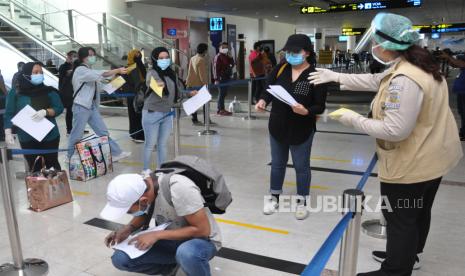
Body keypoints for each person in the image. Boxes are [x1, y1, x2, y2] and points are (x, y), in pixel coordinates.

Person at [309, 12, 463, 276]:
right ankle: (407, 255)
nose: (373, 46)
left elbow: (394, 130)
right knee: (418, 212)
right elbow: (376, 81)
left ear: (389, 44)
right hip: (433, 158)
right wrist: (335, 76)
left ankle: (395, 269)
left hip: (411, 165)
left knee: (400, 219)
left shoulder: (405, 79)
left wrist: (352, 118)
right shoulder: (417, 66)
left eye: (376, 40)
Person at [256, 34, 328, 220]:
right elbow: (268, 88)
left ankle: (302, 201)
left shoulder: (316, 75)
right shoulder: (281, 68)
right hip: (278, 125)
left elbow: (319, 105)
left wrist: (307, 111)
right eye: (288, 51)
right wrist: (263, 100)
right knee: (277, 164)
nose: (290, 55)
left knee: (301, 166)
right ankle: (274, 197)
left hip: (302, 128)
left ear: (306, 53)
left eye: (294, 52)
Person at [101, 173, 221, 276]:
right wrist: (128, 228)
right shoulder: (144, 186)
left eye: (129, 211)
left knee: (187, 253)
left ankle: (187, 262)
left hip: (201, 241)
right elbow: (143, 213)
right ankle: (170, 268)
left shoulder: (180, 188)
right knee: (120, 259)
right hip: (169, 237)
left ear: (143, 200)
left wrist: (156, 235)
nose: (130, 214)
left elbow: (203, 230)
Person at [67, 47, 131, 161]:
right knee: (77, 134)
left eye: (93, 54)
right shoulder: (81, 70)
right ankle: (69, 156)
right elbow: (103, 74)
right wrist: (117, 70)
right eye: (90, 55)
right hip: (81, 106)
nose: (93, 57)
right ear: (83, 57)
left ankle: (116, 153)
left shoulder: (89, 71)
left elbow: (103, 88)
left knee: (103, 132)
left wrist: (120, 80)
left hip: (91, 107)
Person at [142, 47, 196, 174]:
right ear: (155, 59)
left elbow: (177, 92)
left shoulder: (172, 73)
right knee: (150, 144)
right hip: (152, 112)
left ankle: (162, 169)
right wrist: (158, 84)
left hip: (167, 112)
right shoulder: (152, 73)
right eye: (161, 58)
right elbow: (156, 87)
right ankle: (145, 169)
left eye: (166, 57)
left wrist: (189, 93)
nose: (164, 60)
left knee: (163, 144)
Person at [3, 62, 64, 171]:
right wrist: (8, 132)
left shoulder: (49, 91)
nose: (39, 75)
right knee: (35, 168)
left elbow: (59, 108)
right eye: (35, 72)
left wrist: (46, 112)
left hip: (50, 136)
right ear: (26, 74)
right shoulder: (16, 93)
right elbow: (9, 113)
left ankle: (55, 187)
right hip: (27, 137)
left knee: (52, 166)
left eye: (41, 72)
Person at [186, 43, 213, 126]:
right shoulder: (201, 60)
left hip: (191, 83)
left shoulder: (193, 58)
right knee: (206, 102)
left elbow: (190, 71)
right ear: (204, 50)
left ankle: (194, 119)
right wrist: (206, 85)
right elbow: (202, 75)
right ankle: (206, 120)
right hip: (199, 84)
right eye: (206, 50)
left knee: (194, 102)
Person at [441, 51, 465, 141]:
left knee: (464, 113)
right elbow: (455, 64)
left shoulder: (462, 64)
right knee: (461, 113)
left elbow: (460, 64)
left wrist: (448, 57)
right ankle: (462, 132)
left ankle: (464, 133)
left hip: (463, 92)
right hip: (461, 92)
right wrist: (448, 59)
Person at [124, 49, 146, 143]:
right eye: (135, 55)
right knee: (135, 115)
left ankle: (137, 134)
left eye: (139, 54)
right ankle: (137, 135)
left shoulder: (140, 67)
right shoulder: (129, 68)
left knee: (138, 115)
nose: (138, 56)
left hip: (139, 95)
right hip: (134, 96)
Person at [58, 50, 78, 135]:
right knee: (69, 111)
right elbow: (62, 79)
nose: (75, 58)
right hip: (67, 93)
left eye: (76, 56)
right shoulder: (63, 66)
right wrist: (68, 73)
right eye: (73, 56)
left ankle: (78, 127)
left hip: (76, 91)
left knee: (77, 111)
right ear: (69, 57)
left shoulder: (76, 66)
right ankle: (69, 129)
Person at [213, 42, 234, 116]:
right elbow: (215, 69)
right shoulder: (218, 56)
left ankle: (222, 108)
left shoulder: (226, 56)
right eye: (223, 47)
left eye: (226, 47)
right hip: (221, 78)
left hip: (227, 77)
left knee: (224, 93)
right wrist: (216, 79)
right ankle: (220, 109)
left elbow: (232, 64)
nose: (225, 49)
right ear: (220, 48)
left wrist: (231, 57)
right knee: (221, 94)